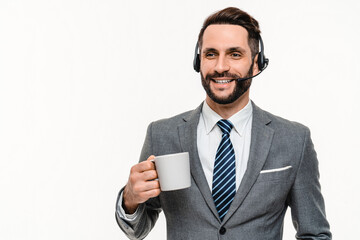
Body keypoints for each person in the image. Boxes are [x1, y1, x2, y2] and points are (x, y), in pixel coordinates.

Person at [115, 7, 332, 240]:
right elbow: (137, 230)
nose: (220, 67)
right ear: (198, 61)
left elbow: (315, 233)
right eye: (210, 54)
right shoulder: (161, 135)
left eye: (234, 54)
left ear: (257, 63)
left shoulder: (293, 140)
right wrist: (130, 198)